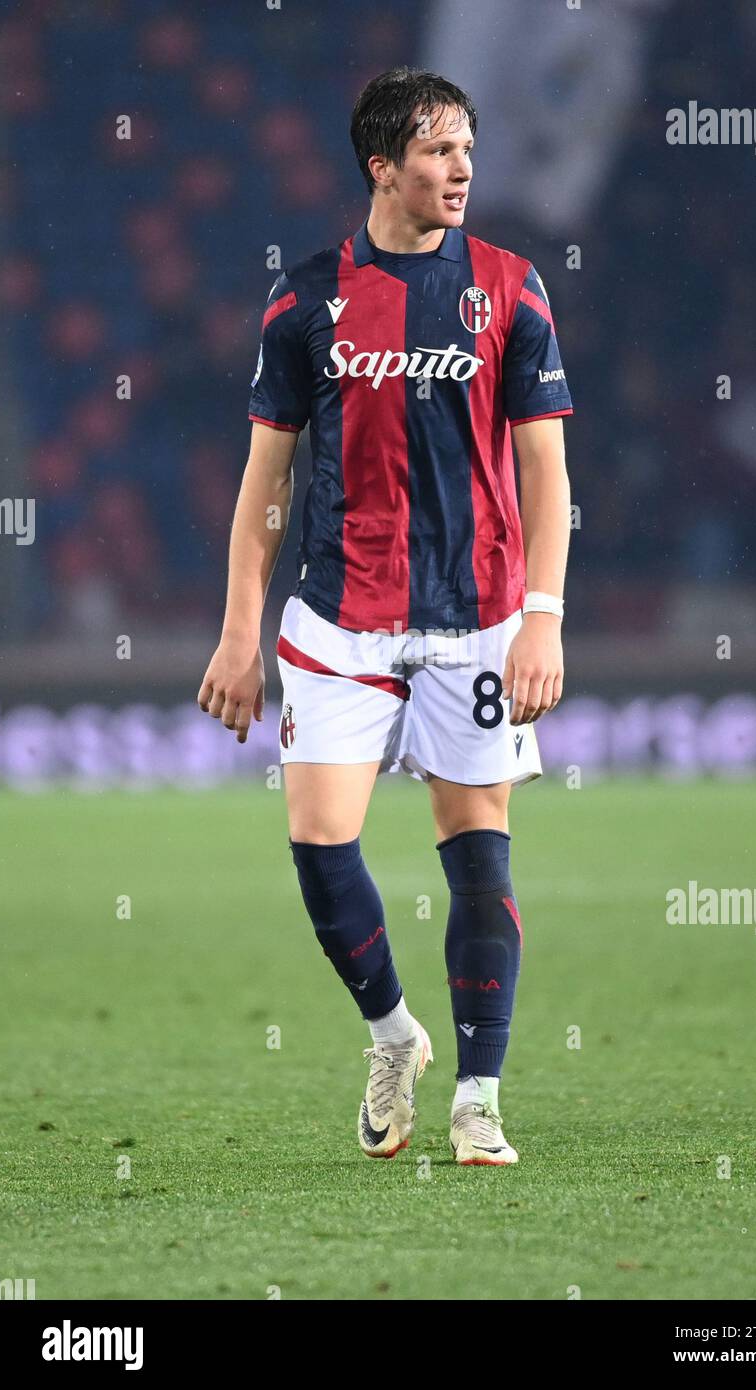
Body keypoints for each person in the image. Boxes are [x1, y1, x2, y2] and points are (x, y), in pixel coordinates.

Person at [198, 67, 574, 1165]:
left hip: (476, 617)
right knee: (319, 841)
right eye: (437, 151)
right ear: (381, 166)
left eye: (467, 148)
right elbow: (267, 478)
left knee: (478, 857)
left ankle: (479, 1097)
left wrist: (543, 614)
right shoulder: (305, 300)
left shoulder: (510, 289)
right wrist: (236, 626)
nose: (460, 169)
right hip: (338, 615)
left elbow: (547, 472)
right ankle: (392, 1034)